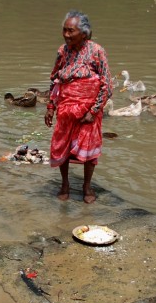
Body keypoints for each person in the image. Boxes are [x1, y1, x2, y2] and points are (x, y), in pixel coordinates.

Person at [44, 11, 113, 204]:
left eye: (70, 31)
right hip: (66, 109)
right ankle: (65, 184)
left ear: (84, 33)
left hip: (89, 111)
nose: (66, 35)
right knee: (62, 146)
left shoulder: (97, 51)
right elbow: (55, 79)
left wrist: (93, 111)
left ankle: (87, 186)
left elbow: (107, 85)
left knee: (89, 150)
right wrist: (50, 106)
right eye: (64, 30)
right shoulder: (62, 51)